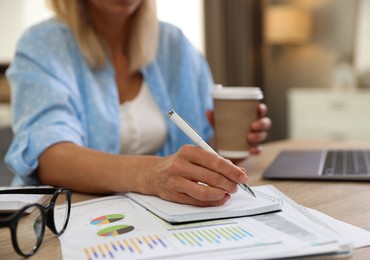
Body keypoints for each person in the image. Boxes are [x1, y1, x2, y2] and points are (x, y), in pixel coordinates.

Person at [5, 0, 271, 206]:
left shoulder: (175, 44)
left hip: (163, 216)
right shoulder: (43, 44)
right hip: (68, 218)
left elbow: (199, 141)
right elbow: (50, 156)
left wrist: (226, 151)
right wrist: (151, 175)